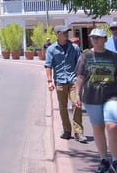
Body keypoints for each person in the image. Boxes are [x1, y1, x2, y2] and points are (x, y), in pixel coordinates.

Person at [74, 28, 117, 171]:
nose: (95, 39)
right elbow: (80, 77)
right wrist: (77, 95)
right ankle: (104, 159)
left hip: (111, 96)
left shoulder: (113, 57)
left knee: (112, 126)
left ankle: (115, 160)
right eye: (93, 37)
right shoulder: (85, 56)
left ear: (105, 39)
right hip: (92, 97)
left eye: (98, 37)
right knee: (98, 127)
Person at [45, 25, 84, 142]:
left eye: (67, 32)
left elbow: (80, 64)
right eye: (63, 32)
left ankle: (78, 132)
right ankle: (67, 131)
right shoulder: (51, 49)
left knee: (77, 104)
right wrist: (49, 81)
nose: (66, 34)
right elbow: (48, 65)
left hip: (73, 80)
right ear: (57, 34)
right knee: (63, 107)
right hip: (60, 81)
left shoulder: (75, 48)